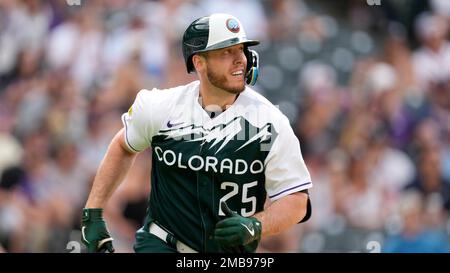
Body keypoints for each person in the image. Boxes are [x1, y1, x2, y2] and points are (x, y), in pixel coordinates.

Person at [81, 13, 312, 253]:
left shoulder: (271, 122)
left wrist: (257, 224)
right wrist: (93, 213)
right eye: (226, 52)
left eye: (241, 50)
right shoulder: (159, 106)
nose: (240, 60)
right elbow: (123, 146)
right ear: (199, 62)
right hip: (161, 243)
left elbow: (297, 201)